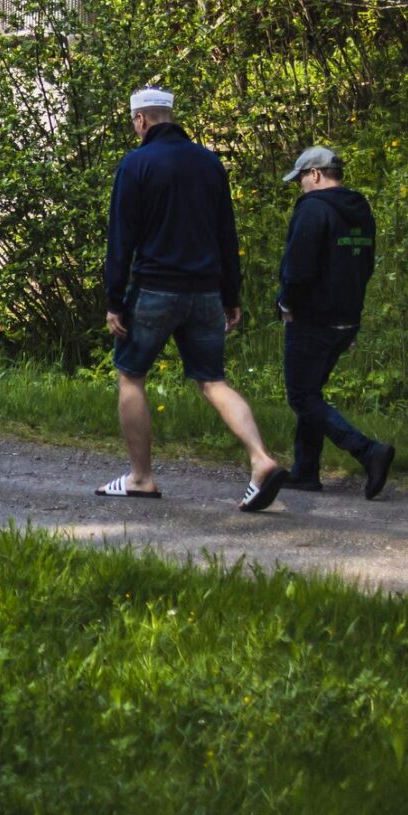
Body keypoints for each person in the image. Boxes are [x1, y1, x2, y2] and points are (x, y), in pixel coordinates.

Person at [98, 87, 286, 511]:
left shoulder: (136, 163)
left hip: (154, 289)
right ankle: (261, 460)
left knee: (131, 376)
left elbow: (121, 237)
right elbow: (226, 231)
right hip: (206, 290)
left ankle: (142, 478)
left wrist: (114, 299)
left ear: (141, 121)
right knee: (212, 379)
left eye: (134, 123)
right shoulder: (209, 161)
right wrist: (230, 294)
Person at [276, 146, 393, 498]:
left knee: (301, 396)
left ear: (315, 174)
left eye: (300, 178)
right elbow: (366, 265)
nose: (299, 186)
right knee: (311, 393)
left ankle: (368, 452)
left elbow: (298, 267)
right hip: (346, 318)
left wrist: (285, 303)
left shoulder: (313, 209)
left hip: (312, 318)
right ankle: (305, 471)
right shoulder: (360, 209)